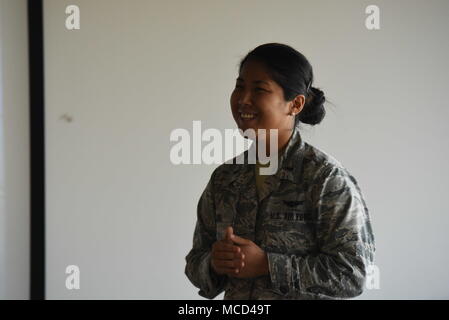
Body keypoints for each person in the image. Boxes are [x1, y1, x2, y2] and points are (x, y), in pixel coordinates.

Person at [185, 43, 375, 300]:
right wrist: (215, 263)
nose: (243, 99)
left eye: (259, 89)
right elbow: (196, 262)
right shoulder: (225, 178)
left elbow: (353, 274)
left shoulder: (325, 178)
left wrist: (267, 264)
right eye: (240, 86)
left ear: (295, 104)